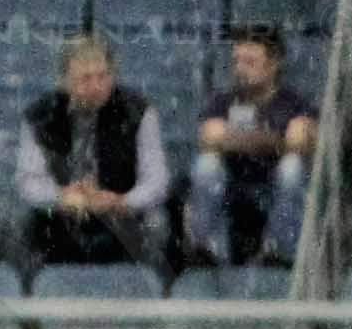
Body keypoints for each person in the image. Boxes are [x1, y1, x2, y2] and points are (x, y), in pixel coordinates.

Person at [19, 33, 176, 273]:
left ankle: (148, 293)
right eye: (85, 79)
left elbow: (157, 179)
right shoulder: (39, 116)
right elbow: (28, 181)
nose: (96, 86)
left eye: (103, 77)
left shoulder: (139, 112)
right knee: (22, 223)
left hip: (122, 214)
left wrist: (122, 201)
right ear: (64, 82)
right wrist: (60, 197)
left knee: (157, 223)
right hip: (62, 215)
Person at [183, 24, 316, 269]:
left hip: (274, 187)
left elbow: (299, 140)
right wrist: (273, 140)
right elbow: (209, 137)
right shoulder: (222, 101)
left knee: (292, 168)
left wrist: (236, 139)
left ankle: (279, 254)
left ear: (273, 64)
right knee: (206, 166)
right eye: (237, 61)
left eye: (250, 62)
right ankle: (207, 252)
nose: (240, 69)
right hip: (232, 185)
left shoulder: (295, 103)